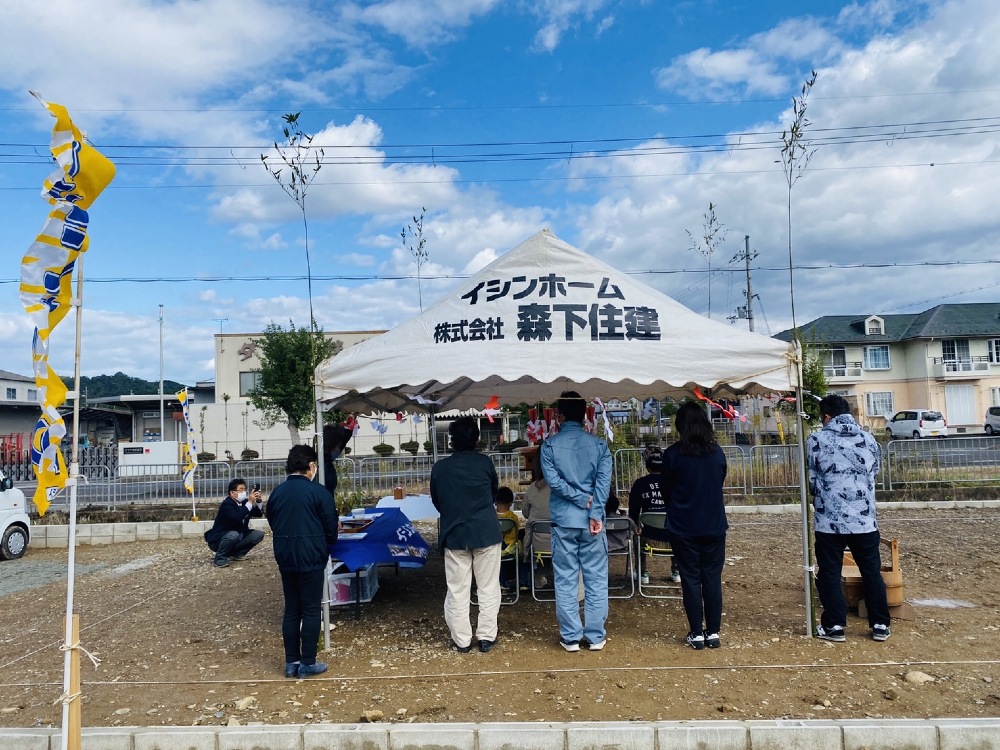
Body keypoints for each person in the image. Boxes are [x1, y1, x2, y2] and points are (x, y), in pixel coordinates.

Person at [808, 394, 890, 643]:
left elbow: (812, 480)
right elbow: (874, 473)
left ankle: (834, 625)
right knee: (871, 572)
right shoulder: (868, 438)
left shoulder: (816, 440)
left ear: (826, 417)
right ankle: (879, 624)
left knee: (830, 572)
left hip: (829, 521)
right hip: (864, 519)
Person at [540, 390, 612, 652]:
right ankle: (595, 636)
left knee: (566, 578)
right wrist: (592, 510)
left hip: (563, 521)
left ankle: (570, 636)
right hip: (593, 523)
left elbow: (554, 483)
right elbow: (603, 484)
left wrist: (580, 500)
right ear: (585, 415)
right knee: (595, 578)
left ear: (558, 416)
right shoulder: (600, 446)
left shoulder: (549, 446)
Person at [265, 444, 340, 678]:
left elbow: (272, 520)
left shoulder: (277, 493)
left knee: (291, 609)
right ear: (310, 466)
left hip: (285, 555)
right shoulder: (319, 492)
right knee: (310, 610)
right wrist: (325, 543)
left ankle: (291, 662)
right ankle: (307, 662)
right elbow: (331, 527)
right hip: (311, 556)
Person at [430, 416, 503, 654]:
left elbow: (437, 501)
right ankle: (486, 636)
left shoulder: (440, 468)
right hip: (486, 532)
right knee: (488, 587)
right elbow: (494, 493)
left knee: (458, 589)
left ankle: (462, 639)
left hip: (455, 534)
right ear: (477, 439)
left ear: (451, 440)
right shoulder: (485, 463)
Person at [661, 402, 728, 650]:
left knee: (690, 579)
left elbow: (665, 488)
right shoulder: (717, 452)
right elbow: (720, 479)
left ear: (679, 426)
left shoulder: (672, 455)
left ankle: (696, 632)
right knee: (712, 577)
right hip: (713, 525)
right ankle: (713, 632)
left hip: (683, 526)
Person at [627, 446, 680, 585]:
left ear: (647, 467)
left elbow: (633, 511)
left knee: (637, 532)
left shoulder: (640, 484)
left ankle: (642, 572)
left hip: (649, 537)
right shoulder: (674, 482)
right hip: (673, 536)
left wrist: (635, 526)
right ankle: (676, 570)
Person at [204, 478, 264, 568]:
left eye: (244, 489)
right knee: (233, 535)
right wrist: (250, 502)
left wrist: (258, 501)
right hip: (219, 539)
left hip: (238, 535)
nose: (243, 492)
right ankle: (220, 558)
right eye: (240, 490)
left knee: (258, 534)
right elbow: (237, 517)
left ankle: (238, 554)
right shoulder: (227, 504)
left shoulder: (244, 502)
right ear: (232, 493)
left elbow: (258, 513)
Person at [521, 453, 551, 588]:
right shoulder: (561, 488)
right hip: (560, 542)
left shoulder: (533, 488)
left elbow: (525, 512)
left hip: (536, 543)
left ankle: (536, 577)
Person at [494, 486, 520, 592]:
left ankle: (496, 582)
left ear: (495, 502)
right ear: (510, 503)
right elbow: (517, 532)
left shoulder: (491, 516)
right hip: (509, 547)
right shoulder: (512, 517)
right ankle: (504, 582)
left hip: (493, 546)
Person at [322, 423, 354, 501]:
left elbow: (342, 442)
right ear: (331, 446)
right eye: (337, 446)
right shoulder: (323, 466)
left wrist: (349, 427)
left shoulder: (326, 459)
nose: (338, 450)